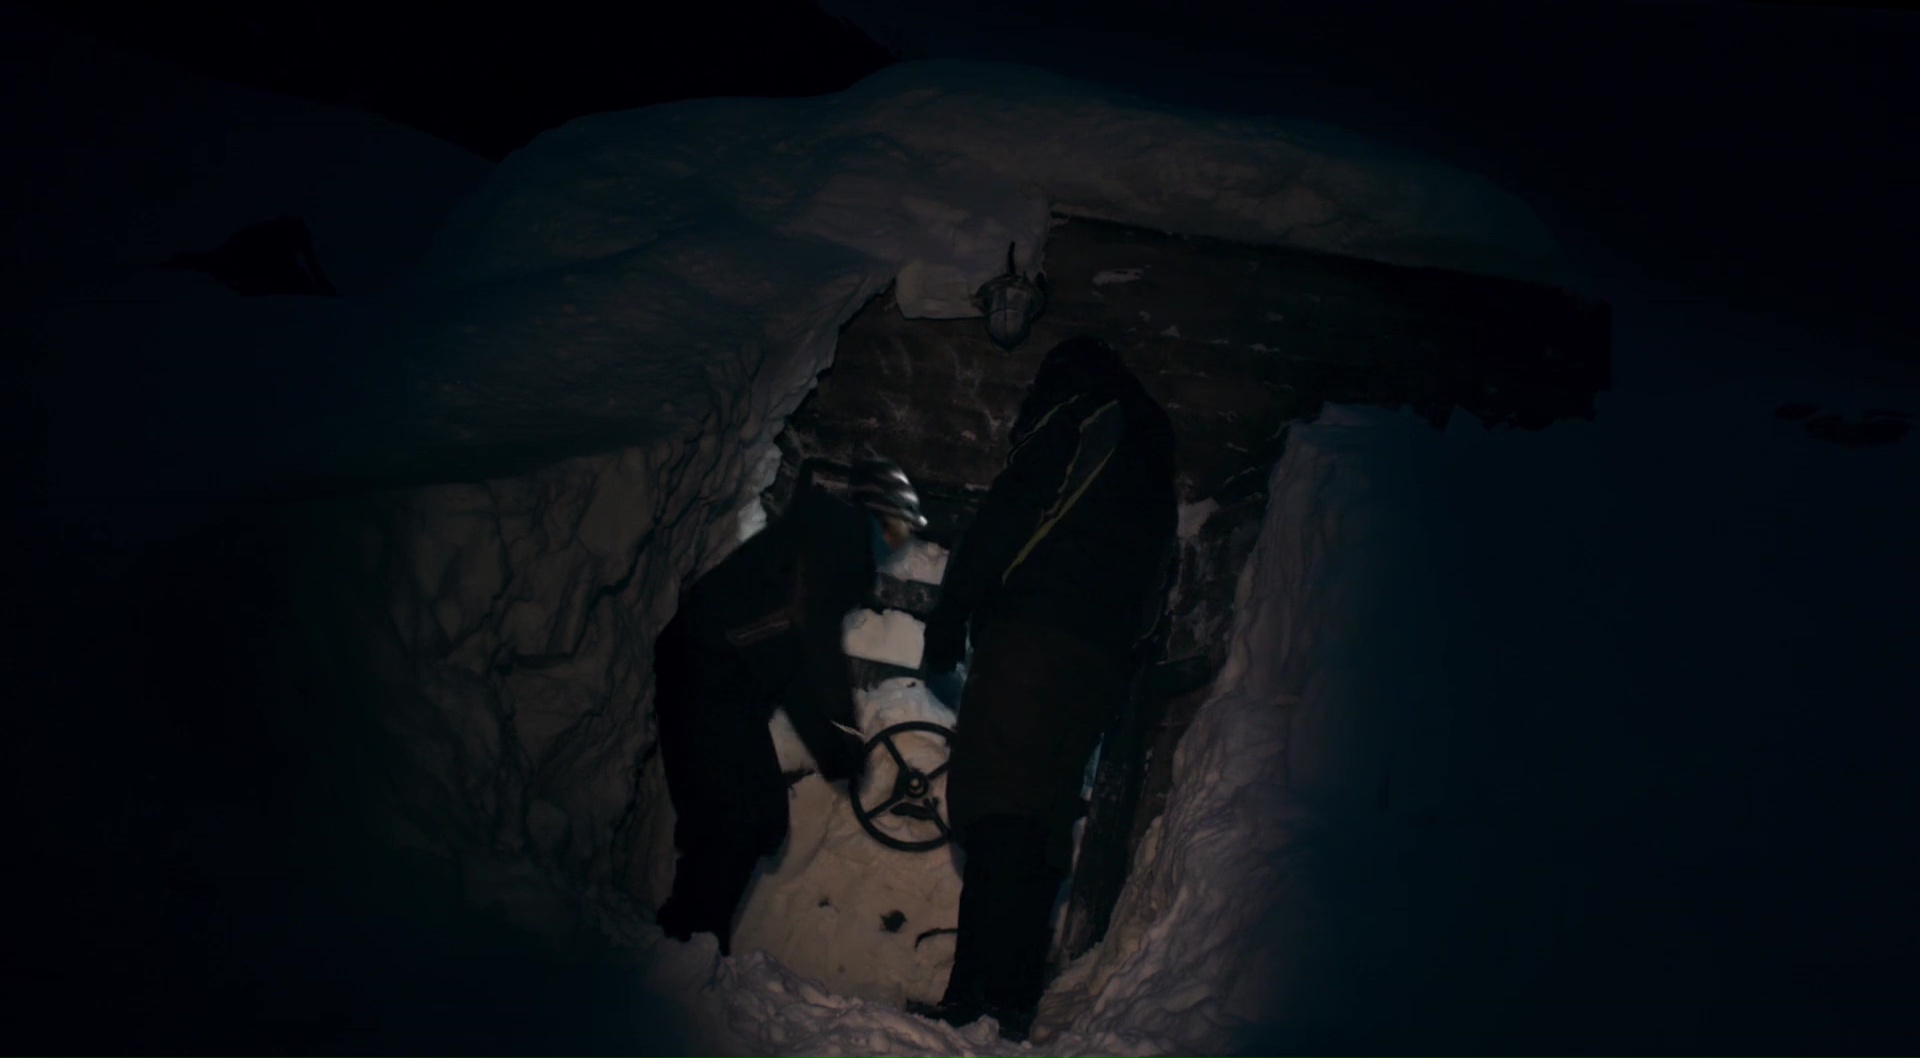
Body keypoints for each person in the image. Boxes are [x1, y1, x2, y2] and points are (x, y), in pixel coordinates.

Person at [914, 336, 1179, 1040]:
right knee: (1038, 821)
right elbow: (1159, 575)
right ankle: (1006, 1003)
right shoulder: (1154, 450)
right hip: (1098, 663)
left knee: (996, 807)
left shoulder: (1083, 413)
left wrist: (953, 611)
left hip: (1034, 636)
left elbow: (1011, 510)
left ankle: (975, 1003)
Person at [652, 458, 928, 955]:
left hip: (718, 672)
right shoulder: (834, 540)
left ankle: (687, 942)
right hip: (707, 667)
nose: (902, 539)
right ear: (881, 514)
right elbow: (816, 643)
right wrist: (842, 732)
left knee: (742, 817)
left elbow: (795, 666)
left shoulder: (824, 544)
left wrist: (831, 747)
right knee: (739, 817)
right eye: (901, 525)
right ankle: (686, 942)